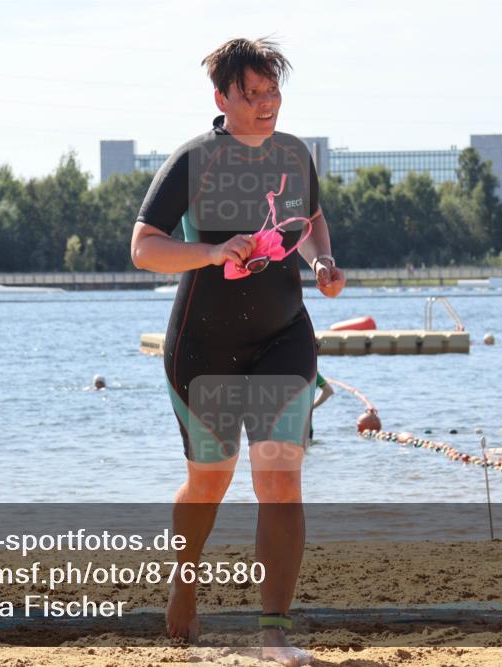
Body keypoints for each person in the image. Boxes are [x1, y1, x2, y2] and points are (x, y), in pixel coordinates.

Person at [130, 37, 345, 667]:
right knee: (211, 479)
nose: (266, 103)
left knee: (279, 477)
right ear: (222, 97)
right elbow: (144, 247)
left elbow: (311, 220)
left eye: (273, 91)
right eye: (252, 94)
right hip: (205, 346)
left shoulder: (295, 154)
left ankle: (274, 632)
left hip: (283, 336)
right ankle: (185, 581)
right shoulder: (195, 160)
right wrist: (210, 252)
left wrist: (323, 261)